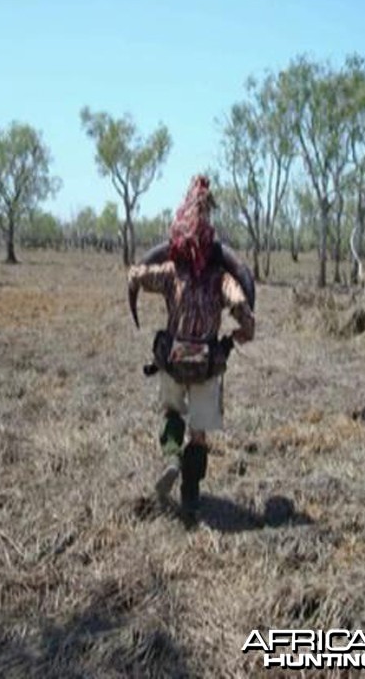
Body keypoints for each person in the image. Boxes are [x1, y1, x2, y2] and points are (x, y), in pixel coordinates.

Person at [128, 175, 255, 525]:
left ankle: (171, 458)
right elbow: (243, 307)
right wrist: (244, 331)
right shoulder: (221, 278)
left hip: (172, 361)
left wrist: (136, 278)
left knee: (171, 412)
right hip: (206, 366)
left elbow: (138, 275)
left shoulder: (170, 272)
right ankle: (191, 497)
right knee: (198, 433)